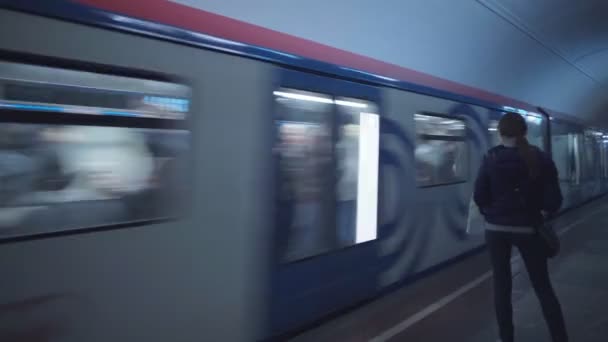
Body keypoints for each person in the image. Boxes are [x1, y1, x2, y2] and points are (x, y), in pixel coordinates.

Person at [474, 112, 568, 342]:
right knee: (542, 286)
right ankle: (560, 337)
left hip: (495, 231)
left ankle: (507, 338)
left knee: (501, 287)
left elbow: (479, 196)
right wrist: (541, 214)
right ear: (525, 132)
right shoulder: (540, 158)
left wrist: (492, 214)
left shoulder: (490, 157)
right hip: (529, 230)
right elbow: (554, 200)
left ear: (500, 133)